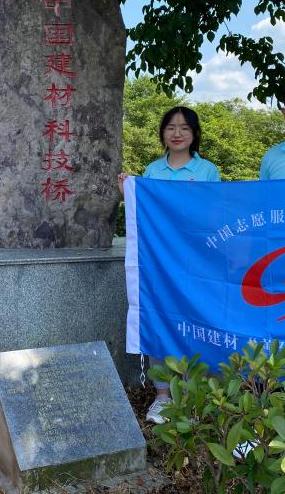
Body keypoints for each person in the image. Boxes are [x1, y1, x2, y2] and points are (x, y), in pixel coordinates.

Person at [117, 106, 220, 424]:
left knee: (194, 323)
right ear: (162, 133)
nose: (177, 133)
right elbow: (145, 214)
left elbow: (214, 214)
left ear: (195, 134)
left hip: (196, 262)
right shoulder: (152, 170)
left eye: (184, 128)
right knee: (159, 321)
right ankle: (163, 396)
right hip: (159, 263)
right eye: (171, 127)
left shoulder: (207, 171)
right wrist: (128, 193)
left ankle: (190, 394)